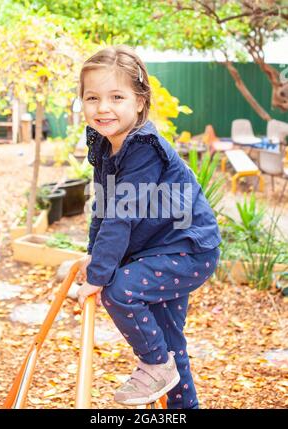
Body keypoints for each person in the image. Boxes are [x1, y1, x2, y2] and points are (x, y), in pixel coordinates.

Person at [76, 45, 221, 409]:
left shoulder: (142, 146)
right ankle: (182, 404)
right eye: (92, 97)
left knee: (119, 290)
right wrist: (95, 258)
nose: (102, 107)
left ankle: (155, 365)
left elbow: (122, 215)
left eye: (116, 97)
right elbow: (104, 207)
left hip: (187, 249)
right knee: (172, 343)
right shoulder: (106, 144)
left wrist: (100, 274)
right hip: (160, 249)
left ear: (140, 102)